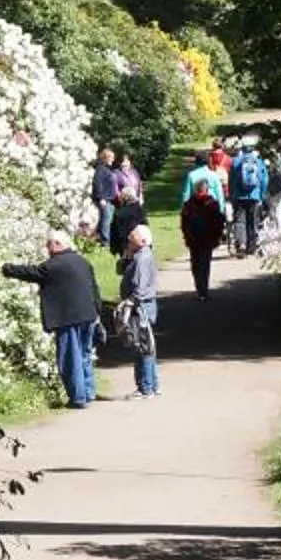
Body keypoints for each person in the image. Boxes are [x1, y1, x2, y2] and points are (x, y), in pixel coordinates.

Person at [1, 231, 103, 406]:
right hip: (88, 315)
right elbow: (94, 288)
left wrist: (7, 269)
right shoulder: (82, 261)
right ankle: (88, 392)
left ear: (57, 244)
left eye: (49, 245)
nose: (47, 249)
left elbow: (31, 272)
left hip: (68, 318)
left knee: (70, 358)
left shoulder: (54, 265)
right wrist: (97, 312)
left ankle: (78, 398)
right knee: (84, 355)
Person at [116, 223, 161, 396]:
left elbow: (140, 287)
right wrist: (127, 256)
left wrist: (129, 302)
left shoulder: (142, 258)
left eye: (132, 237)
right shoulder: (138, 256)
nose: (128, 239)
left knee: (143, 346)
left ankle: (145, 387)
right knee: (147, 345)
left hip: (140, 307)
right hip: (142, 305)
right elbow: (119, 270)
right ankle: (152, 385)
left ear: (142, 241)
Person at [177, 179, 227, 298]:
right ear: (207, 189)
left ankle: (199, 286)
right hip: (208, 238)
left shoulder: (189, 204)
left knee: (195, 263)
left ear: (195, 189)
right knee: (205, 263)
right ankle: (203, 289)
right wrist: (218, 235)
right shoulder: (212, 203)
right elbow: (218, 221)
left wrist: (186, 235)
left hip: (193, 238)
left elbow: (184, 221)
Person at [227, 140, 271, 255]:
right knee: (252, 221)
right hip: (254, 196)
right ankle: (251, 246)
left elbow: (231, 180)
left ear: (242, 149)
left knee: (239, 220)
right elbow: (264, 180)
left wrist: (231, 194)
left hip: (238, 196)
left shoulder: (236, 161)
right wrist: (262, 194)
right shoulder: (258, 162)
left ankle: (241, 244)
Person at [89, 147, 128, 247]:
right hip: (105, 200)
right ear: (105, 158)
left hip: (110, 200)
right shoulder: (101, 169)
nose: (113, 159)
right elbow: (97, 183)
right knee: (105, 221)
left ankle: (99, 239)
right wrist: (101, 198)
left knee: (107, 220)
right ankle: (105, 243)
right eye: (111, 157)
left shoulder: (107, 169)